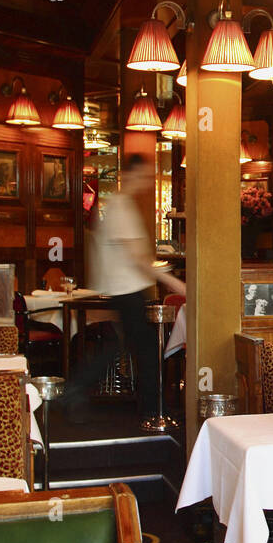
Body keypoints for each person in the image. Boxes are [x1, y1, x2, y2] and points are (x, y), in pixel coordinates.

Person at [64, 154, 186, 422]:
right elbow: (138, 259)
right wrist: (174, 282)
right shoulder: (121, 207)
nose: (147, 181)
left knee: (130, 348)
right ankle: (153, 413)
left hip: (127, 289)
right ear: (131, 175)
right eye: (144, 175)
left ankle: (150, 409)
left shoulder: (122, 206)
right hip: (128, 291)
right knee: (146, 352)